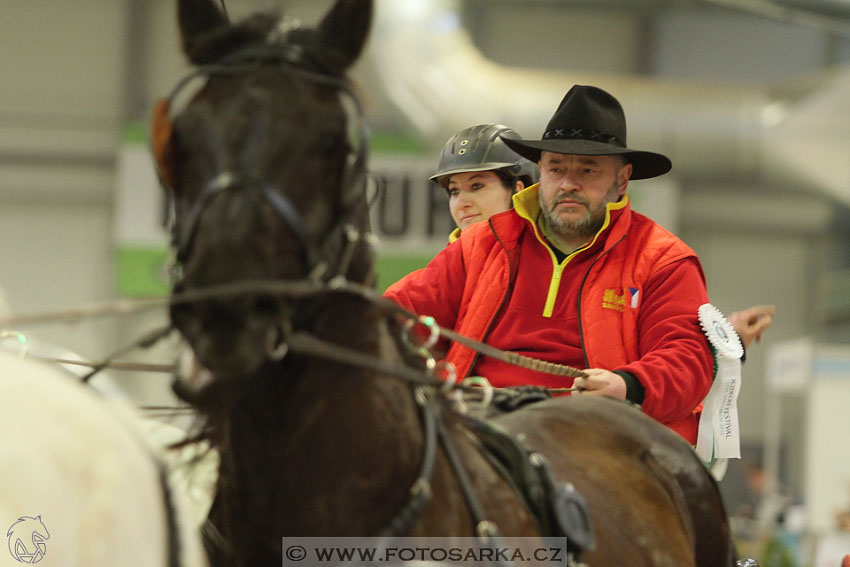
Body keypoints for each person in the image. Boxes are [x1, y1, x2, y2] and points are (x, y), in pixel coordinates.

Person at [386, 84, 723, 443]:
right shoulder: (482, 245)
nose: (567, 184)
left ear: (621, 179)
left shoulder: (662, 260)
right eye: (556, 169)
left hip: (599, 436)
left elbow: (687, 359)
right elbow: (398, 314)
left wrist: (628, 385)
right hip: (476, 425)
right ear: (540, 171)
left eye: (588, 171)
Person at [429, 123, 538, 242]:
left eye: (476, 186)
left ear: (518, 190)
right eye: (454, 191)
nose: (462, 204)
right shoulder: (446, 260)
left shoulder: (547, 255)